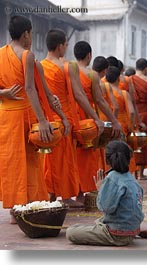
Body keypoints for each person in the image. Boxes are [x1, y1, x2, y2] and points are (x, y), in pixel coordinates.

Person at [0, 16, 66, 220]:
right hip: (23, 115)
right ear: (25, 34)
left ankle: (15, 209)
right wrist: (43, 120)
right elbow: (29, 89)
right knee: (28, 163)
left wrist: (3, 94)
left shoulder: (0, 53)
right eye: (31, 34)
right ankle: (24, 207)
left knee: (11, 163)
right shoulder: (27, 55)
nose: (31, 38)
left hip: (5, 117)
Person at [41, 30, 104, 206]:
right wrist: (95, 118)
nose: (66, 48)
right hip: (64, 118)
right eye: (66, 45)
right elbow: (79, 95)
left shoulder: (39, 65)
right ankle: (65, 196)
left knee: (49, 158)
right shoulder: (68, 66)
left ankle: (50, 195)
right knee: (64, 160)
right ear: (61, 45)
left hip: (46, 118)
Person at [66, 140, 147, 246]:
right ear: (129, 159)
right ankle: (137, 232)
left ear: (107, 160)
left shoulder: (112, 178)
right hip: (132, 229)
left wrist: (101, 189)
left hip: (116, 235)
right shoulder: (131, 179)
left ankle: (128, 234)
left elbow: (105, 207)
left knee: (71, 232)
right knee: (100, 221)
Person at [73, 41, 122, 201]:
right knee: (86, 154)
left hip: (71, 116)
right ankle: (81, 193)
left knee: (72, 154)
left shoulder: (67, 69)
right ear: (89, 56)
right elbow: (99, 100)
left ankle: (69, 191)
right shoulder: (91, 75)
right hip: (87, 119)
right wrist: (114, 120)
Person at [105, 66, 136, 173]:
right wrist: (131, 127)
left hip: (107, 126)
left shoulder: (103, 91)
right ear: (119, 78)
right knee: (122, 152)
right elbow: (132, 112)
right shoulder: (124, 93)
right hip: (121, 126)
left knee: (107, 151)